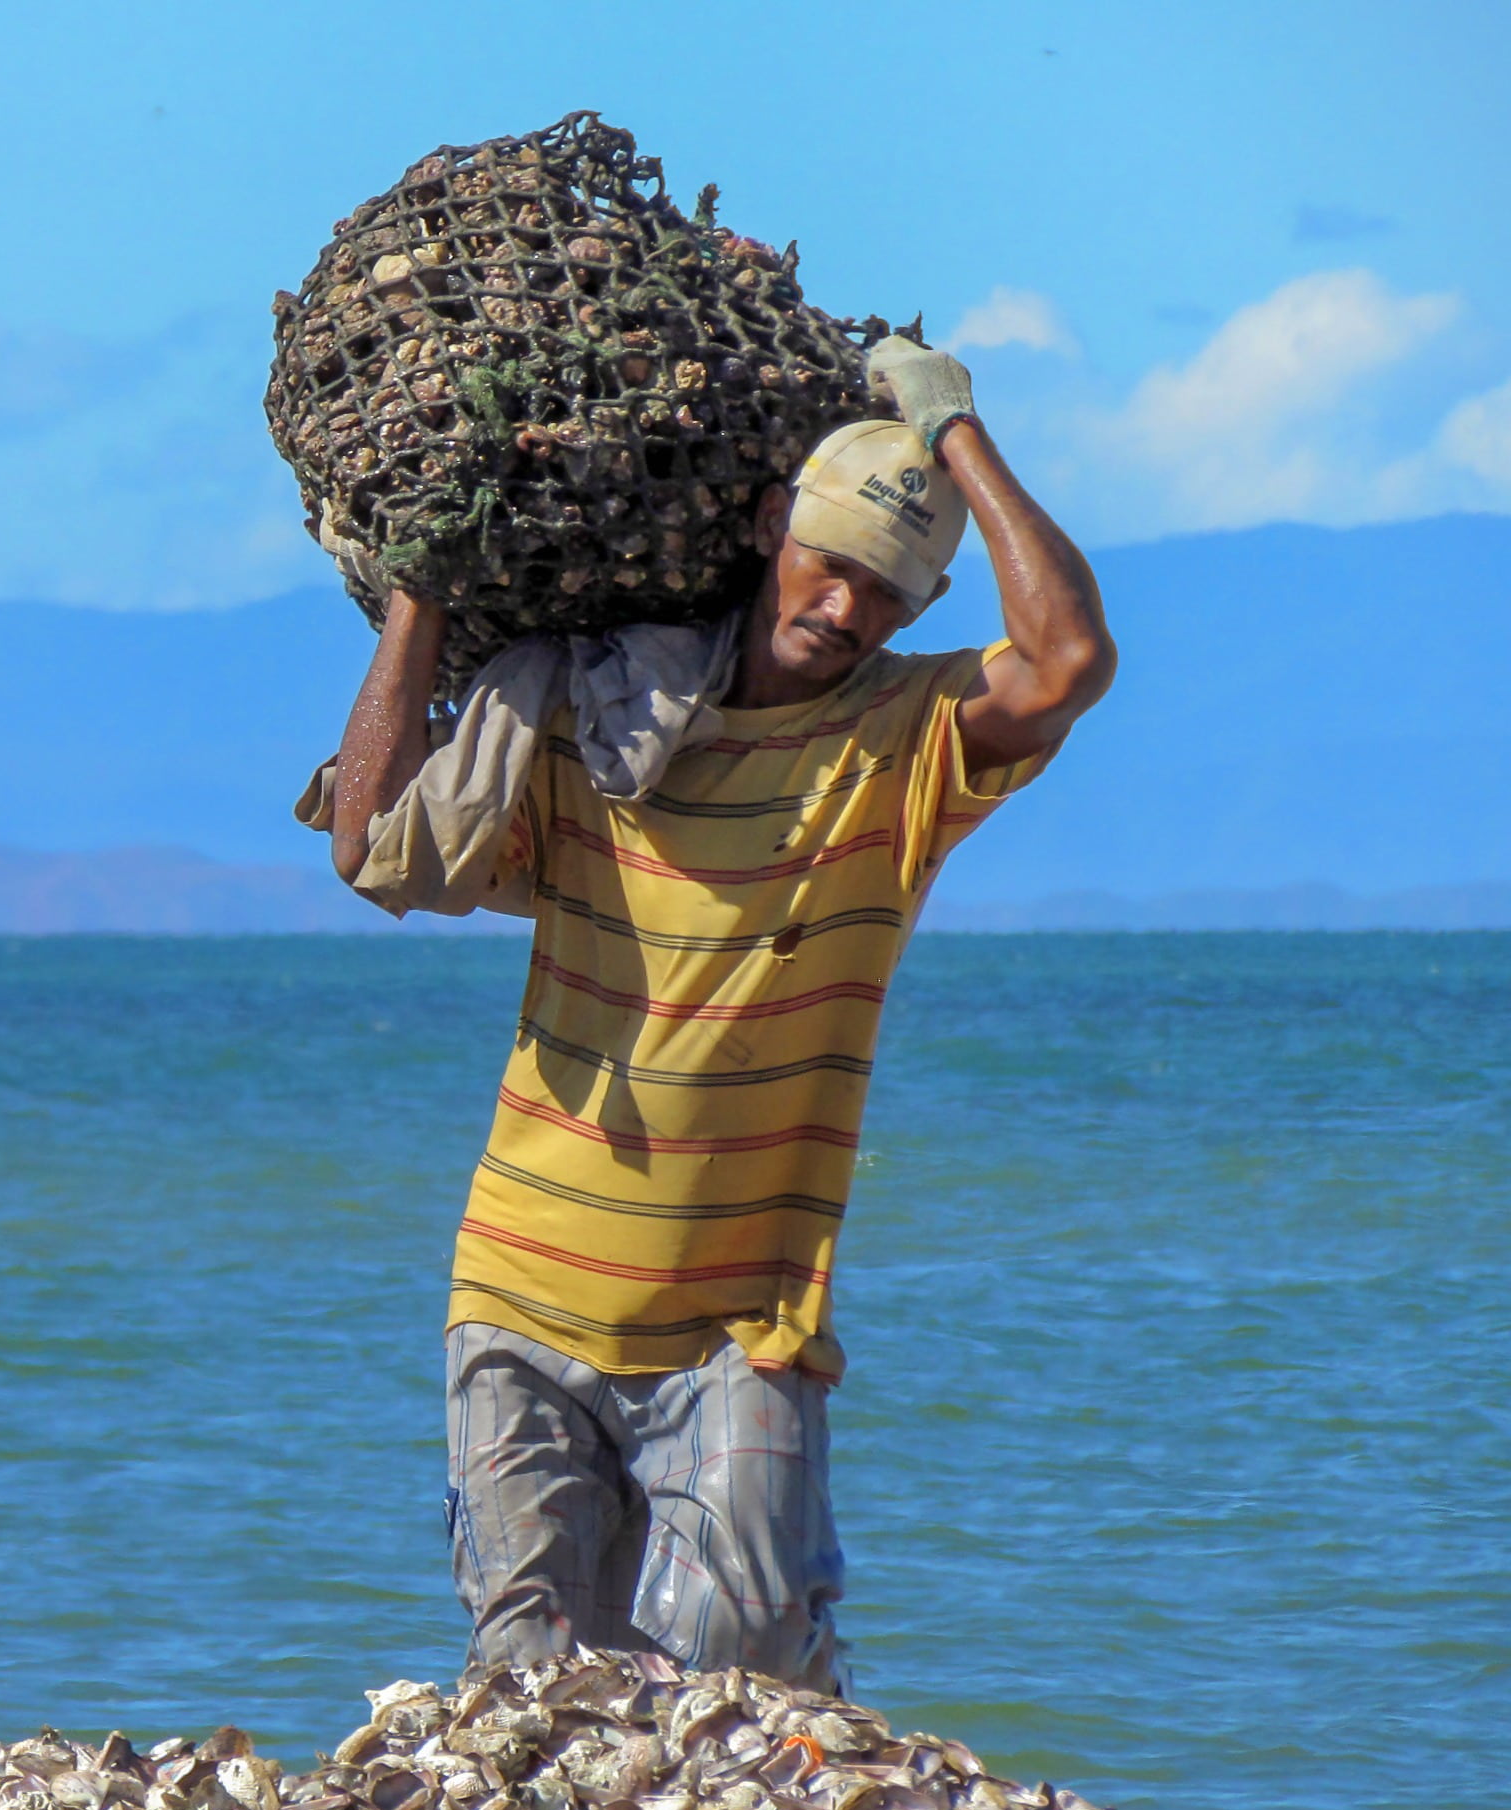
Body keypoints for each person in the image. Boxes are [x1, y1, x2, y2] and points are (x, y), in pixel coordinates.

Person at [306, 343, 1115, 1693]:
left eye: (888, 588)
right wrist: (419, 605)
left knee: (738, 1667)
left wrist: (952, 428)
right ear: (764, 531)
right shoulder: (593, 725)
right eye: (831, 560)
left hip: (739, 1328)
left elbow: (1067, 656)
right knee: (529, 1693)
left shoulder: (905, 748)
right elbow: (370, 842)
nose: (848, 605)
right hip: (518, 1289)